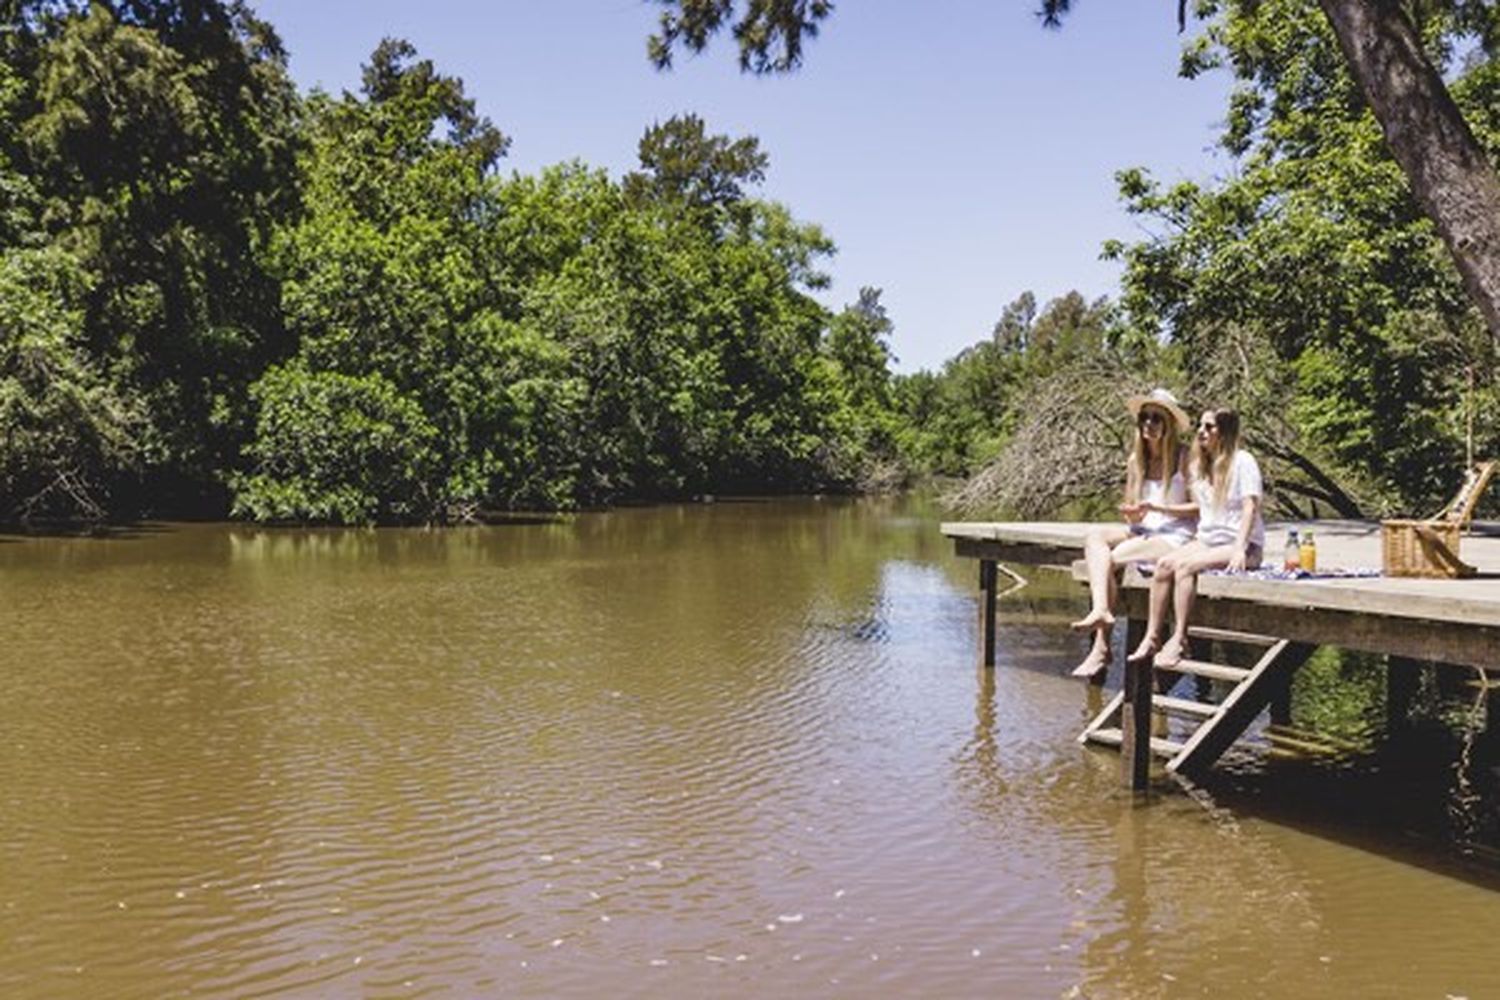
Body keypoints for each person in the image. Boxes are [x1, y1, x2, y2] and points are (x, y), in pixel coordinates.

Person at [1069, 388, 1196, 678]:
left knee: (1111, 559)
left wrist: (1161, 509)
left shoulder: (1185, 457)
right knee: (1094, 537)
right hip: (1143, 531)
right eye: (1144, 418)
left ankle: (1102, 645)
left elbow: (1200, 509)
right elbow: (1133, 508)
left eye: (1156, 418)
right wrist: (1134, 513)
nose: (1148, 424)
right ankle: (1101, 610)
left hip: (1175, 535)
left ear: (1169, 424)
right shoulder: (1135, 461)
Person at [1127, 407, 1265, 671]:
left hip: (1241, 545)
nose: (1202, 432)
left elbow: (1250, 506)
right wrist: (1154, 511)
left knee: (1185, 567)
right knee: (1165, 564)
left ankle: (1180, 638)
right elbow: (1199, 511)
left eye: (1209, 427)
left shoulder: (1243, 461)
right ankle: (1152, 636)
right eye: (1201, 426)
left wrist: (1239, 549)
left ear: (1224, 432)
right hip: (1208, 540)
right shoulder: (1200, 465)